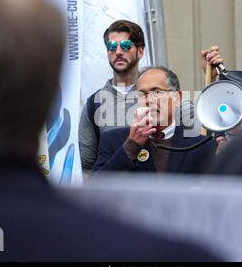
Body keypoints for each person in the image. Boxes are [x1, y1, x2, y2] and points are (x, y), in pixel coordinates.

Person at [0, 0, 220, 261]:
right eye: (110, 46)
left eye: (157, 93)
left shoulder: (198, 140)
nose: (118, 51)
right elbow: (92, 177)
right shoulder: (104, 120)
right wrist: (131, 145)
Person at [79, 20, 193, 172]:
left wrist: (213, 79)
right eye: (111, 47)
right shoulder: (94, 103)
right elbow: (87, 168)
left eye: (125, 46)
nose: (118, 52)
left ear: (140, 51)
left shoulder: (166, 95)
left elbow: (203, 134)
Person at [93, 66, 217, 174]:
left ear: (177, 98)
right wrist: (131, 146)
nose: (148, 100)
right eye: (141, 94)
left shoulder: (202, 145)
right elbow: (96, 190)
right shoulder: (113, 141)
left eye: (156, 92)